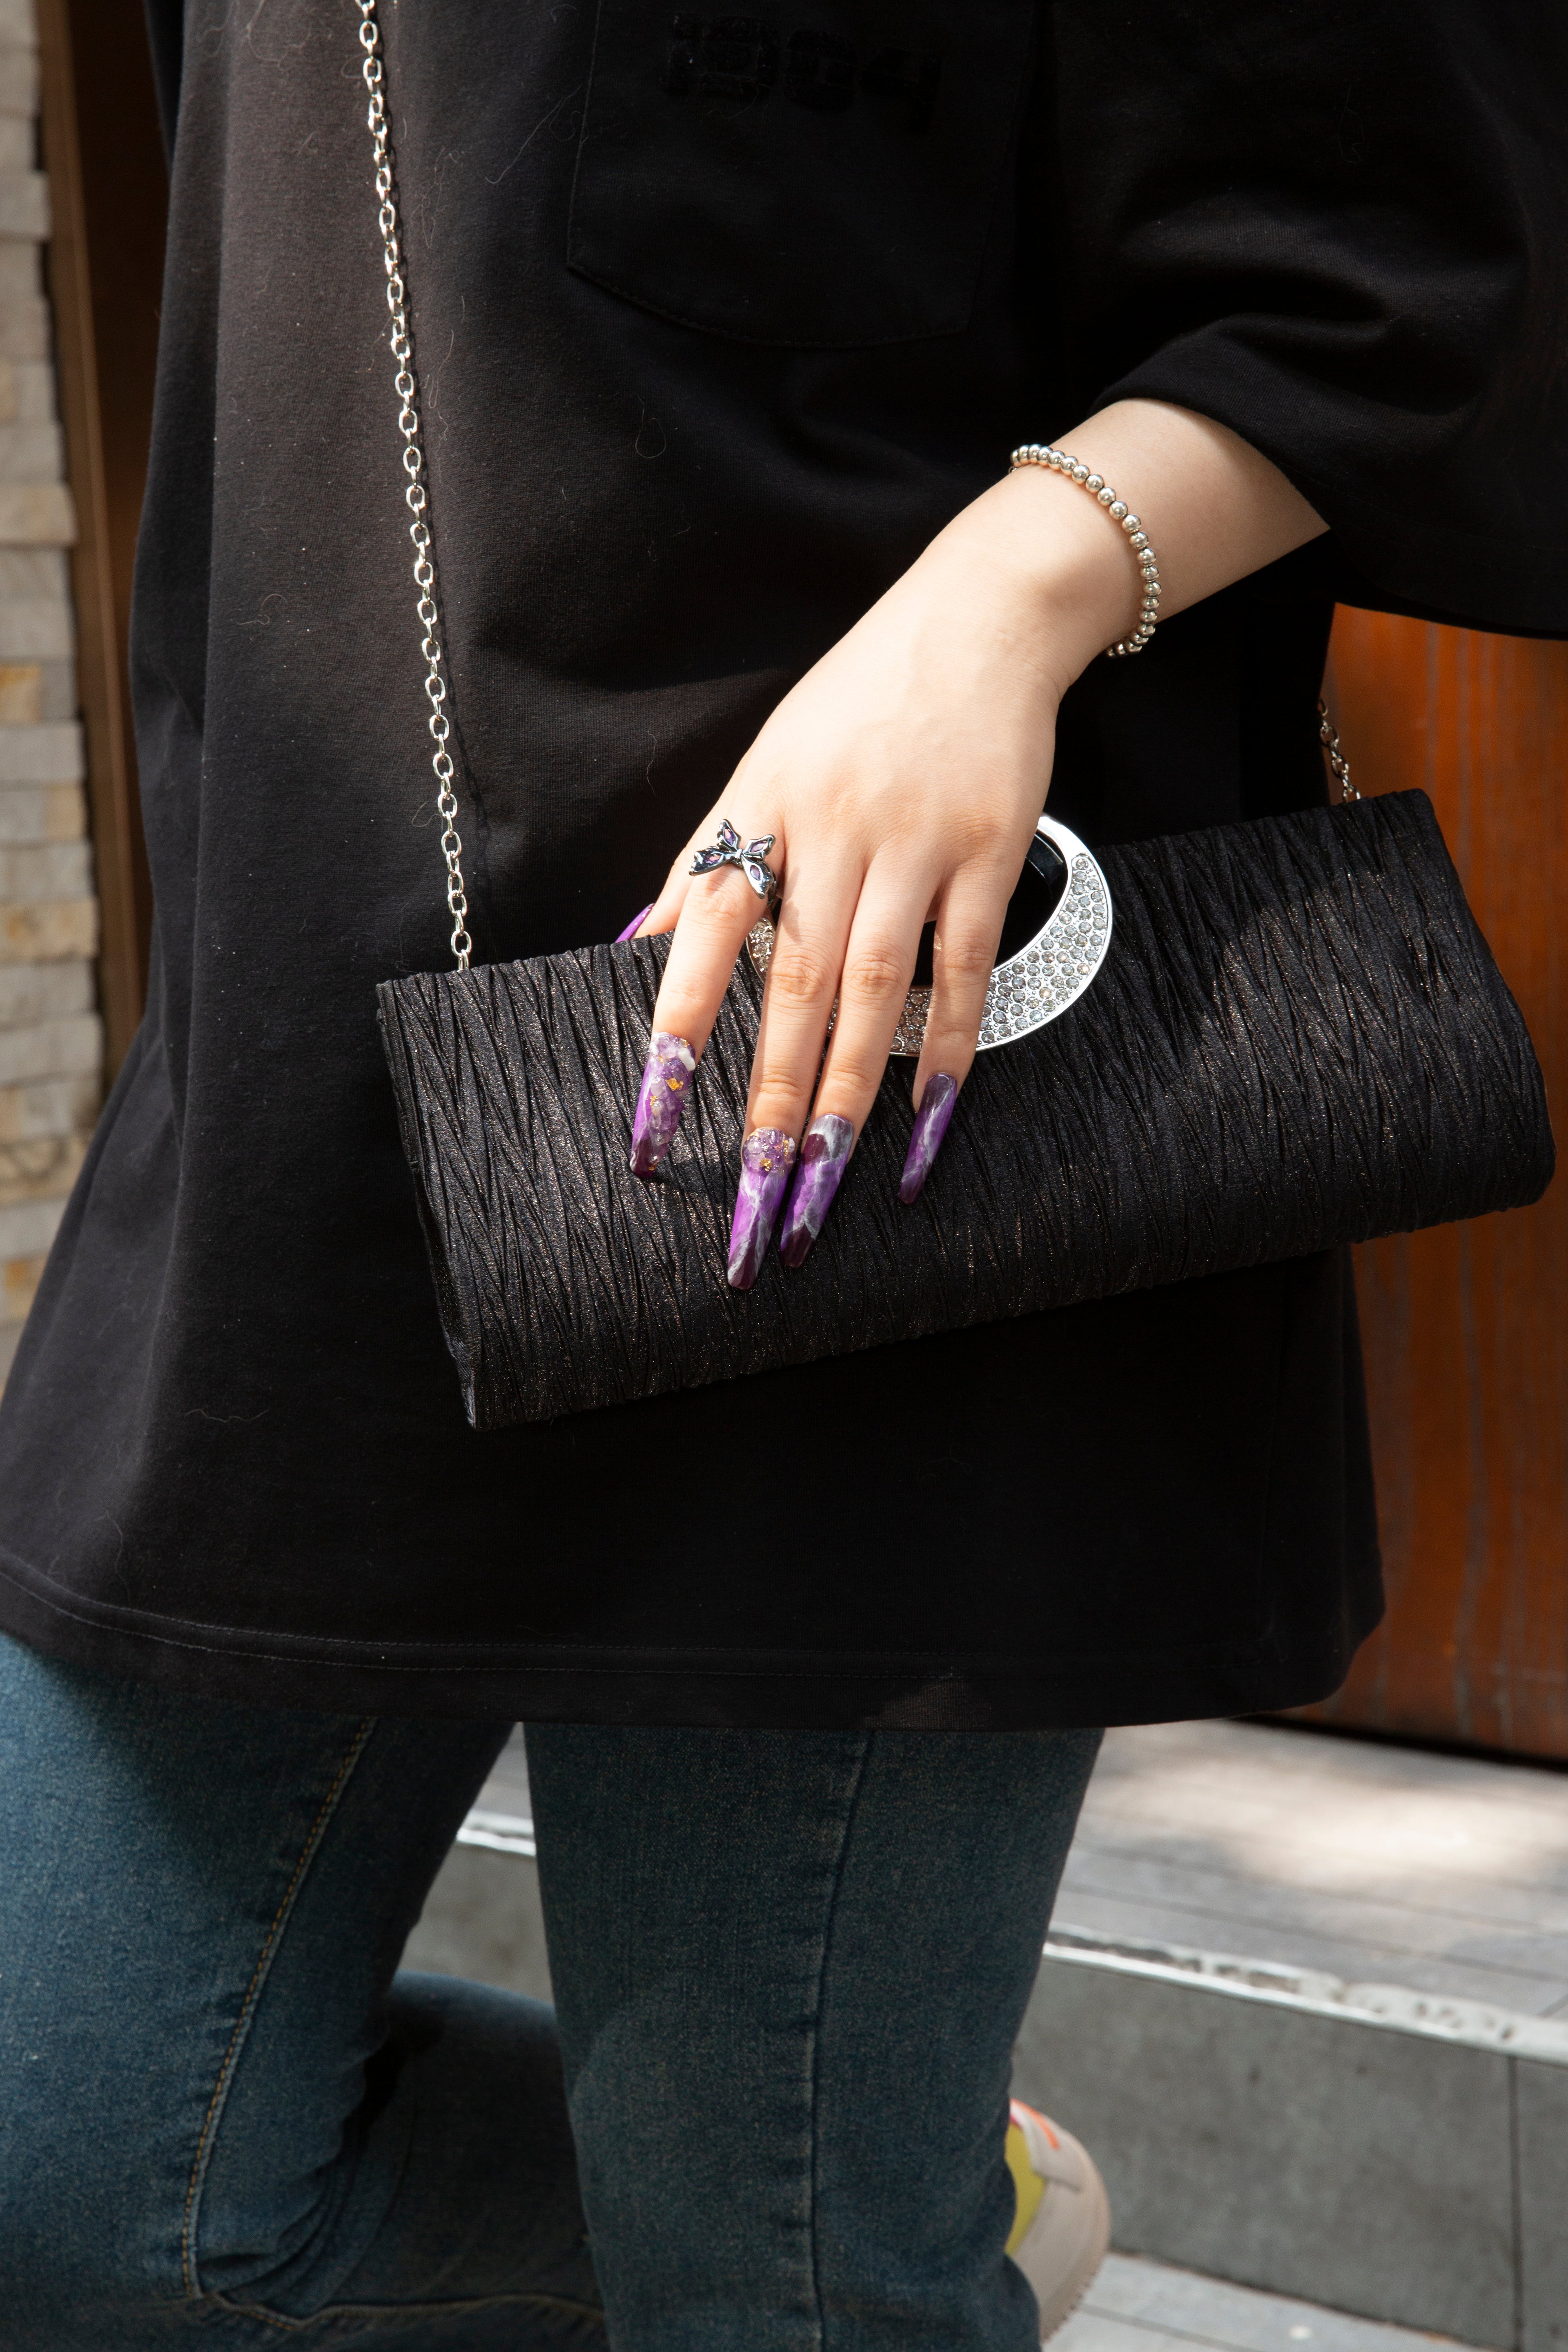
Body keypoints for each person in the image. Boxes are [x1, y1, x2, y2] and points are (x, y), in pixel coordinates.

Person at [0, 3, 1561, 2345]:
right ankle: (939, 2211)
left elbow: (1423, 226)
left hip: (887, 1076)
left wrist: (1012, 596)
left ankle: (880, 2224)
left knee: (777, 2269)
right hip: (327, 1072)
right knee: (88, 2179)